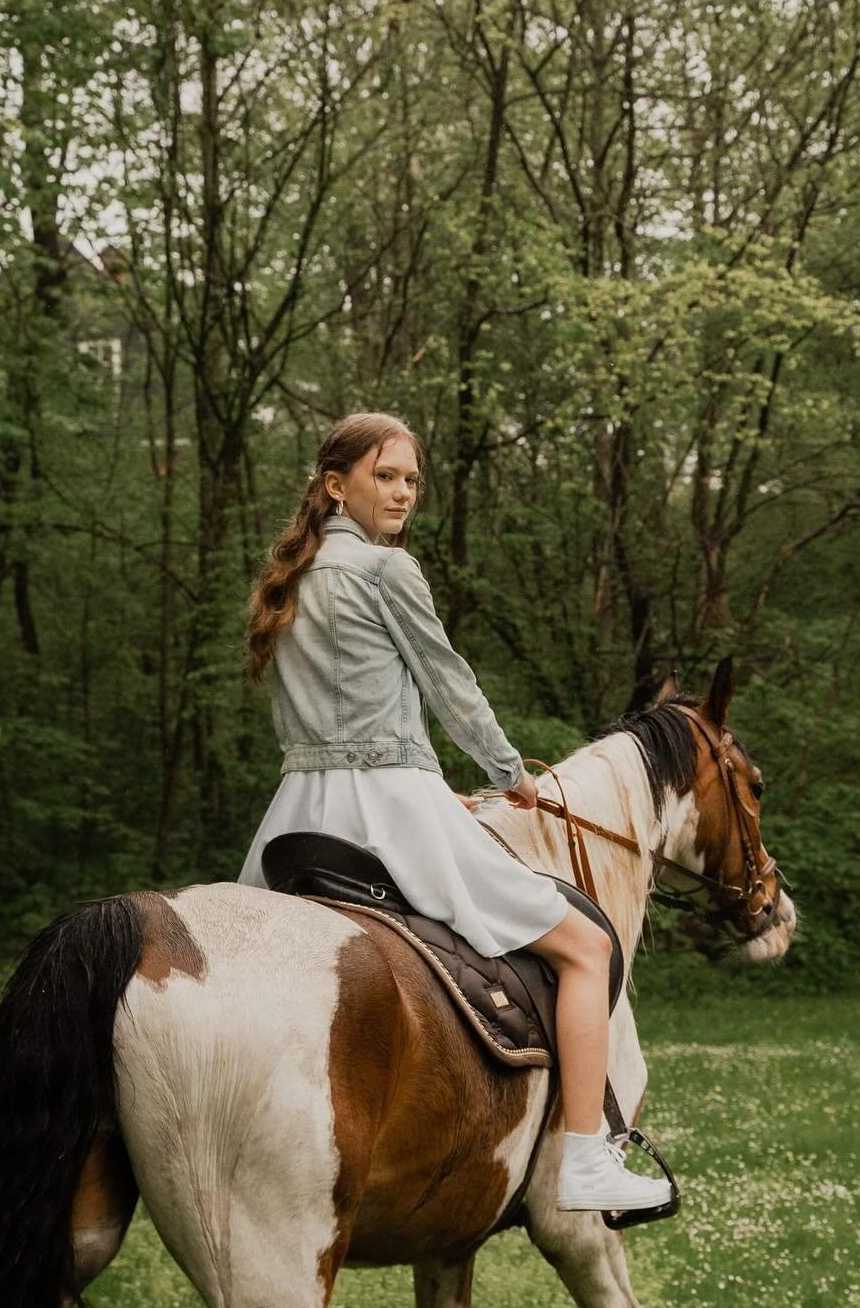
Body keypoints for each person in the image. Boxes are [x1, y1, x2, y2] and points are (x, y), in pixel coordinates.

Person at [239, 410, 671, 1215]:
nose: (403, 493)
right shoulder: (385, 571)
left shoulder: (288, 580)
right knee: (585, 946)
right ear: (337, 486)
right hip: (392, 812)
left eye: (411, 480)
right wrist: (512, 776)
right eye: (386, 476)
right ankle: (587, 1157)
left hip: (297, 816)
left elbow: (347, 727)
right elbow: (452, 686)